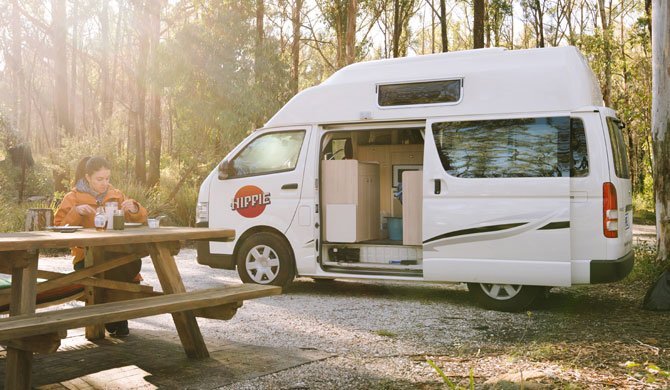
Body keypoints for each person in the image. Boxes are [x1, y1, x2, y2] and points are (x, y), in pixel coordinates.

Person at [55, 156, 148, 336]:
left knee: (131, 262)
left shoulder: (116, 195)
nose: (105, 183)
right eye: (100, 179)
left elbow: (141, 218)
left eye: (107, 178)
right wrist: (76, 212)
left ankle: (111, 317)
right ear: (87, 177)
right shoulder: (72, 198)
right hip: (86, 260)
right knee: (124, 267)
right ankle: (115, 318)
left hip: (117, 257)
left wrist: (135, 209)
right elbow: (57, 227)